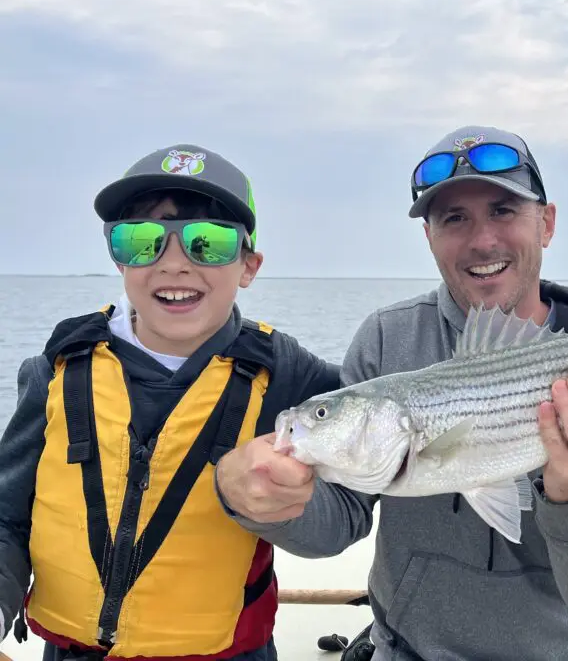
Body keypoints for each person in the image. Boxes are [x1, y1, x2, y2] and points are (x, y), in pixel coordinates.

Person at [215, 126, 568, 660]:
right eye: (454, 218)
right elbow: (338, 524)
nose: (482, 240)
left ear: (546, 224)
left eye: (503, 210)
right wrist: (263, 504)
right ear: (429, 236)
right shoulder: (386, 338)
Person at [0, 145, 343, 660]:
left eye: (208, 243)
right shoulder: (56, 370)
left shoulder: (290, 376)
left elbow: (382, 440)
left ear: (249, 266)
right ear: (116, 256)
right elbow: (7, 517)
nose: (175, 264)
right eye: (142, 240)